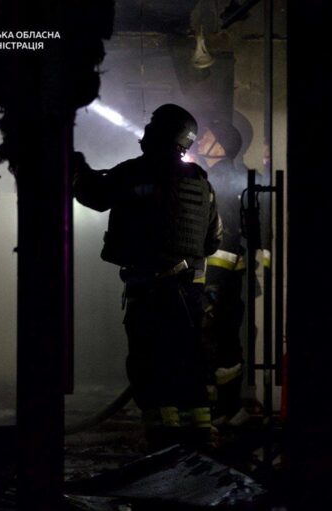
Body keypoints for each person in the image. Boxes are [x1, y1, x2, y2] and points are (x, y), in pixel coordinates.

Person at [73, 104, 223, 450]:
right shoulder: (201, 181)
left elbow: (94, 195)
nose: (146, 128)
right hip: (191, 293)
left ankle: (162, 442)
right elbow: (212, 241)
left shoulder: (135, 171)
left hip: (150, 290)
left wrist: (76, 169)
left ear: (162, 133)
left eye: (153, 124)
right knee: (189, 363)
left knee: (150, 363)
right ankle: (198, 439)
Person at [194, 119, 249, 423]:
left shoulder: (221, 179)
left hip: (219, 280)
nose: (202, 139)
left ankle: (227, 408)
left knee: (219, 342)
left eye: (209, 136)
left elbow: (225, 237)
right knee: (219, 342)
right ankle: (224, 408)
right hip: (222, 279)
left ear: (222, 147)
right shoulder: (219, 176)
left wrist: (212, 285)